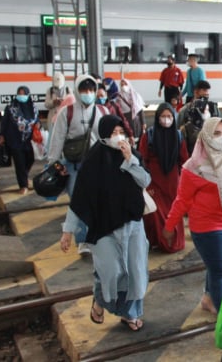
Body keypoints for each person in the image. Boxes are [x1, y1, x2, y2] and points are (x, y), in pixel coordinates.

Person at [59, 114, 151, 331]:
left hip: (132, 223)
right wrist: (67, 231)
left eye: (121, 132)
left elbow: (145, 181)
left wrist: (130, 161)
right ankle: (100, 299)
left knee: (136, 271)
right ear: (103, 136)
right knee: (111, 272)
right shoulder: (93, 162)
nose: (118, 137)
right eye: (113, 133)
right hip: (103, 227)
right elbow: (80, 200)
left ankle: (131, 314)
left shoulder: (132, 156)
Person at [164, 117, 222, 315]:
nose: (221, 138)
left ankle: (208, 297)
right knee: (221, 270)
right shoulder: (194, 166)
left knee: (217, 265)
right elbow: (182, 200)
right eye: (216, 133)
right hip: (207, 226)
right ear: (205, 135)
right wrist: (170, 225)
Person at [48, 74, 107, 255]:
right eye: (83, 90)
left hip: (98, 166)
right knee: (78, 202)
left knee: (99, 201)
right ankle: (83, 240)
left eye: (90, 90)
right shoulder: (67, 112)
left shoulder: (103, 112)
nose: (87, 93)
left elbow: (109, 137)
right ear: (77, 90)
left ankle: (97, 234)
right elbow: (57, 139)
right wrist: (55, 162)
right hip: (75, 165)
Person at [138, 103, 189, 253]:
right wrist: (146, 184)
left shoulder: (178, 136)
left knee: (174, 212)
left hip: (173, 183)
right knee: (156, 214)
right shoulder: (149, 136)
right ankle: (159, 242)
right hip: (154, 182)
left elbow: (184, 160)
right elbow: (143, 159)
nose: (166, 119)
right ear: (157, 117)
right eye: (163, 116)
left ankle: (173, 242)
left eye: (169, 116)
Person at [0, 86, 38, 195]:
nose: (21, 96)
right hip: (15, 139)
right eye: (19, 94)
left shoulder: (33, 108)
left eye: (24, 94)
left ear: (28, 95)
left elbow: (36, 120)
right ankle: (23, 185)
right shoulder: (10, 107)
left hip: (29, 140)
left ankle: (23, 176)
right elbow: (4, 122)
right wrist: (2, 135)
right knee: (19, 163)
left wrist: (38, 126)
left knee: (30, 159)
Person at [178, 80, 220, 155]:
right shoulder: (185, 111)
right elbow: (178, 132)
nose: (207, 93)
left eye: (207, 91)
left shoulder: (214, 109)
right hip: (191, 151)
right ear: (196, 92)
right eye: (204, 90)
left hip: (210, 152)